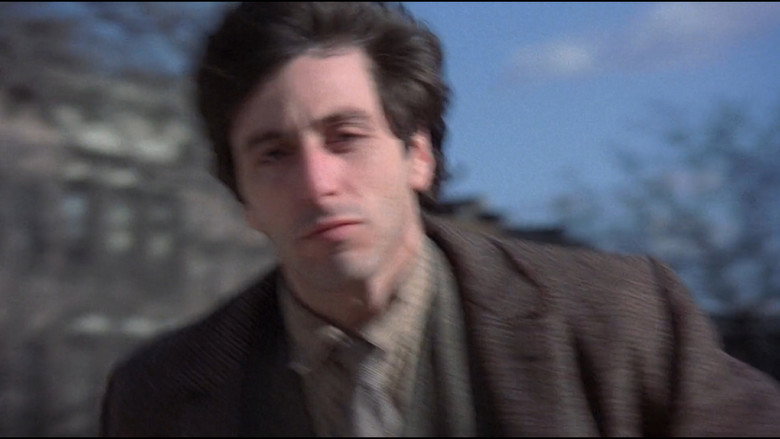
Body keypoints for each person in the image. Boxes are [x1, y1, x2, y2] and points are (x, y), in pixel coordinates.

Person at [100, 2, 780, 436]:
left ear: (418, 155)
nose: (317, 183)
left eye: (346, 137)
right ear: (243, 196)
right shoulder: (158, 398)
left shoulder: (616, 326)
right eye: (273, 154)